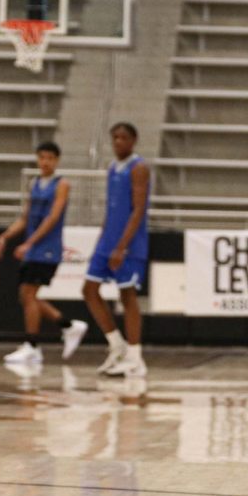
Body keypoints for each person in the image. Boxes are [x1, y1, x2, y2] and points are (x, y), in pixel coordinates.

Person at [0, 141, 87, 364]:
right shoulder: (34, 183)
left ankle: (33, 345)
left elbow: (53, 218)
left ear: (56, 160)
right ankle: (68, 326)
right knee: (27, 296)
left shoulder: (61, 184)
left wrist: (30, 243)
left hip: (47, 248)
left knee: (28, 294)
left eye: (49, 158)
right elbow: (25, 218)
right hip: (33, 249)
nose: (45, 162)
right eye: (41, 157)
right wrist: (5, 237)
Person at [83, 122, 150, 379]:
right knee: (89, 290)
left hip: (130, 243)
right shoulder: (112, 168)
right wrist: (103, 240)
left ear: (133, 141)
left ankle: (135, 357)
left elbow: (138, 209)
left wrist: (122, 246)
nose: (118, 142)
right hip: (108, 239)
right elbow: (112, 208)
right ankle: (116, 345)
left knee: (127, 295)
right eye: (115, 138)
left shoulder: (139, 168)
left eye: (123, 138)